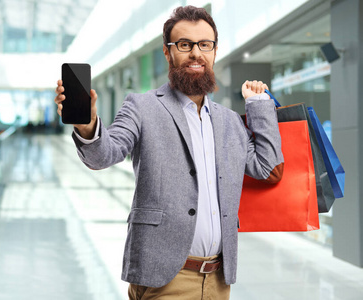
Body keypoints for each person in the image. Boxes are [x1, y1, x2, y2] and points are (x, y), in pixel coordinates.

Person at [54, 5, 284, 300]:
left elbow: (266, 166)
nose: (196, 54)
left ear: (214, 51)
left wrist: (259, 105)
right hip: (165, 278)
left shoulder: (228, 121)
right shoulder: (142, 106)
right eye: (185, 45)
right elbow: (104, 154)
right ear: (167, 52)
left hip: (218, 280)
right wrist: (87, 126)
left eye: (205, 45)